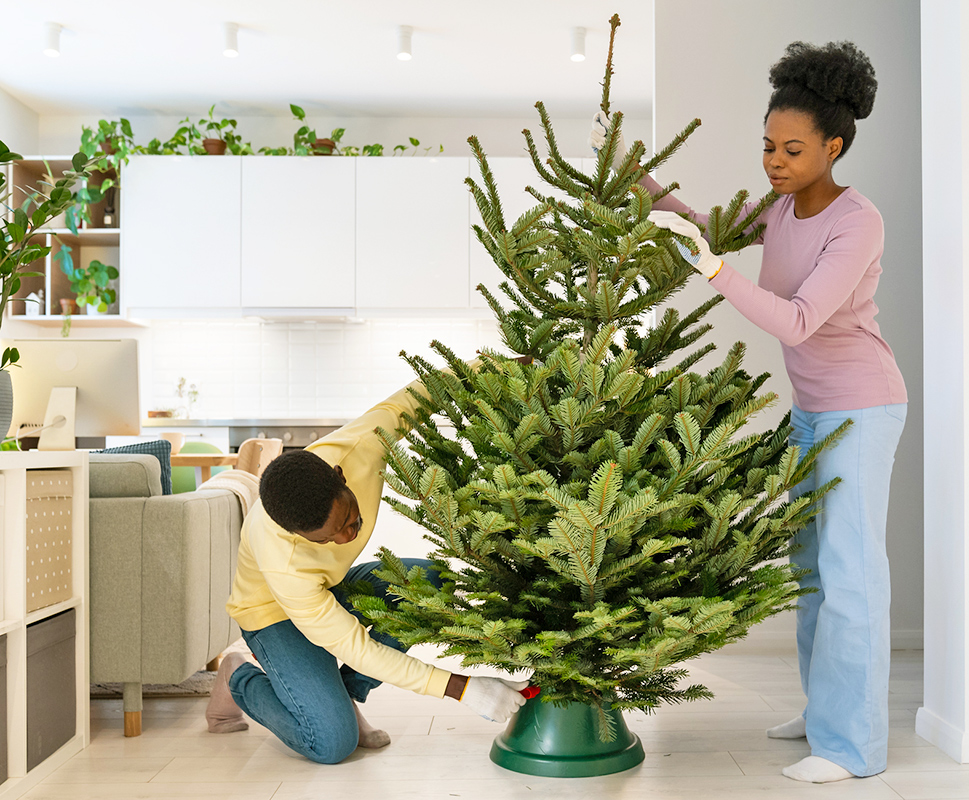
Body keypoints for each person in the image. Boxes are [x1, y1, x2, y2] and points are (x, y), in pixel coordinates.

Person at [590, 41, 906, 783]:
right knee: (808, 570)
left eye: (792, 149)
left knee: (851, 572)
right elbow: (711, 226)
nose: (774, 160)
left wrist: (711, 270)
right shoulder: (782, 204)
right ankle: (822, 710)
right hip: (811, 409)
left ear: (832, 146)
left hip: (862, 407)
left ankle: (854, 747)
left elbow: (797, 320)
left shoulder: (858, 221)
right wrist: (643, 179)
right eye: (768, 146)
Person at [205, 376, 529, 764]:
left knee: (429, 583)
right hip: (272, 616)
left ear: (340, 477)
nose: (345, 539)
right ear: (295, 534)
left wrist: (497, 368)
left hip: (330, 590)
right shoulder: (284, 560)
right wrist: (462, 688)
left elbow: (414, 397)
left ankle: (341, 695)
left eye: (349, 520)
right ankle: (237, 674)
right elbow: (355, 647)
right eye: (327, 539)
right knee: (330, 744)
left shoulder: (358, 446)